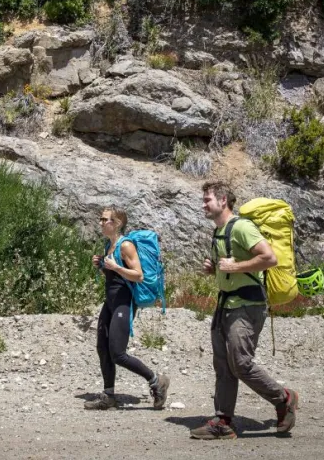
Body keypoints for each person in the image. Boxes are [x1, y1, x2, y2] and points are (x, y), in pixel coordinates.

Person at [192, 182, 299, 440]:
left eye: (207, 200)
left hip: (247, 306)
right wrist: (214, 270)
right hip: (225, 305)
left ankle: (284, 398)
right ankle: (223, 421)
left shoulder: (241, 227)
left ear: (223, 200)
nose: (203, 204)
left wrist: (235, 265)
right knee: (223, 366)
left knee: (240, 364)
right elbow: (229, 267)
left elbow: (269, 258)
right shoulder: (219, 231)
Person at [85, 206, 170, 411]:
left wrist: (115, 267)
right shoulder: (109, 245)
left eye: (105, 219)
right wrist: (103, 266)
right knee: (102, 348)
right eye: (101, 219)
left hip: (124, 302)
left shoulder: (126, 246)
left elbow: (138, 275)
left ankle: (156, 380)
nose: (101, 223)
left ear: (117, 224)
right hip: (110, 302)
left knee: (118, 353)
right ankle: (109, 395)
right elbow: (113, 276)